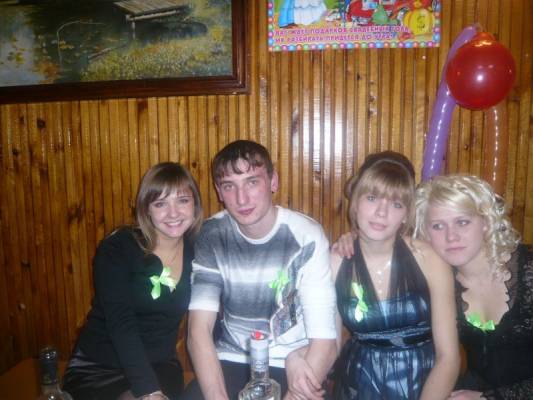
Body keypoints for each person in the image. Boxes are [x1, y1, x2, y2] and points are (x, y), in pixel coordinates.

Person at [183, 140, 337, 400]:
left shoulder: (306, 235)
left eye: (252, 182)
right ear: (219, 191)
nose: (241, 198)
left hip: (294, 364)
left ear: (273, 181)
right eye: (229, 186)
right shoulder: (212, 235)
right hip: (231, 359)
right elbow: (198, 331)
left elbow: (325, 344)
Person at [62, 162, 203, 400]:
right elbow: (121, 323)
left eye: (182, 200)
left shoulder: (198, 253)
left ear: (195, 205)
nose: (173, 213)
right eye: (160, 203)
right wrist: (148, 390)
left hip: (160, 366)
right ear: (146, 209)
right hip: (99, 366)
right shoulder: (118, 248)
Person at [330, 151, 460, 399]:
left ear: (406, 215)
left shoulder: (429, 259)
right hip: (358, 384)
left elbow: (449, 358)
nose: (382, 212)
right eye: (372, 198)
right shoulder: (335, 262)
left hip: (424, 384)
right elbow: (329, 346)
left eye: (396, 204)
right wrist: (297, 360)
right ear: (355, 203)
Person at [414, 174, 533, 400]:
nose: (451, 236)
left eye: (462, 222)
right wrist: (355, 239)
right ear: (426, 234)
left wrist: (489, 398)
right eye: (438, 226)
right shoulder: (442, 281)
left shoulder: (528, 272)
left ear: (486, 222)